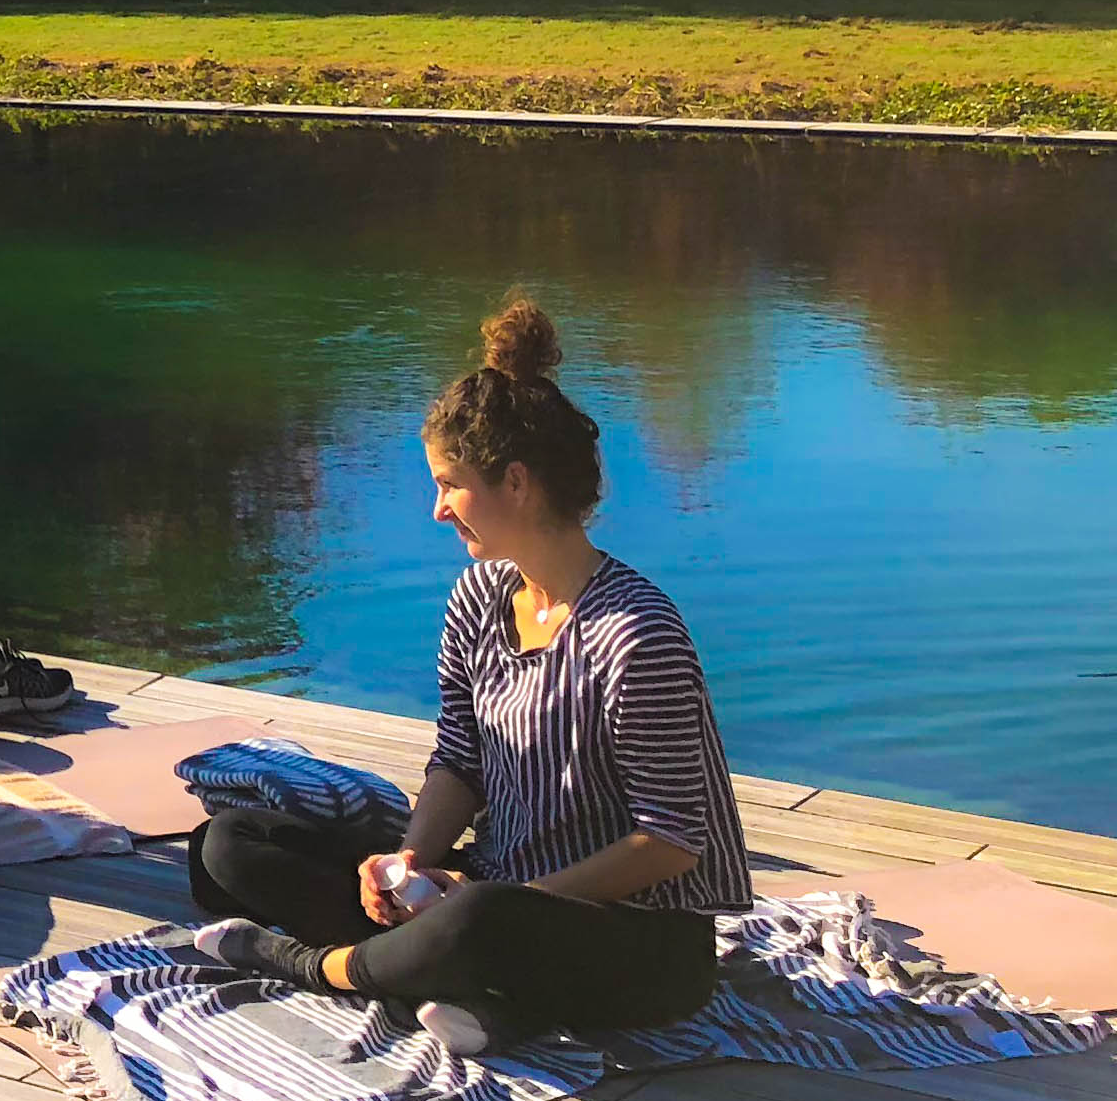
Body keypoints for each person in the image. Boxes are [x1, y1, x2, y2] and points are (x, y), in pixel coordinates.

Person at [187, 301, 747, 1053]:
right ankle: (471, 988)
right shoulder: (480, 597)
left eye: (450, 483)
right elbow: (460, 759)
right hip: (490, 881)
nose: (437, 508)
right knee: (229, 842)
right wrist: (408, 863)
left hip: (633, 937)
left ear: (515, 482)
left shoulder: (635, 632)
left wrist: (498, 898)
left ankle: (311, 964)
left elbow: (672, 842)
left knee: (478, 922)